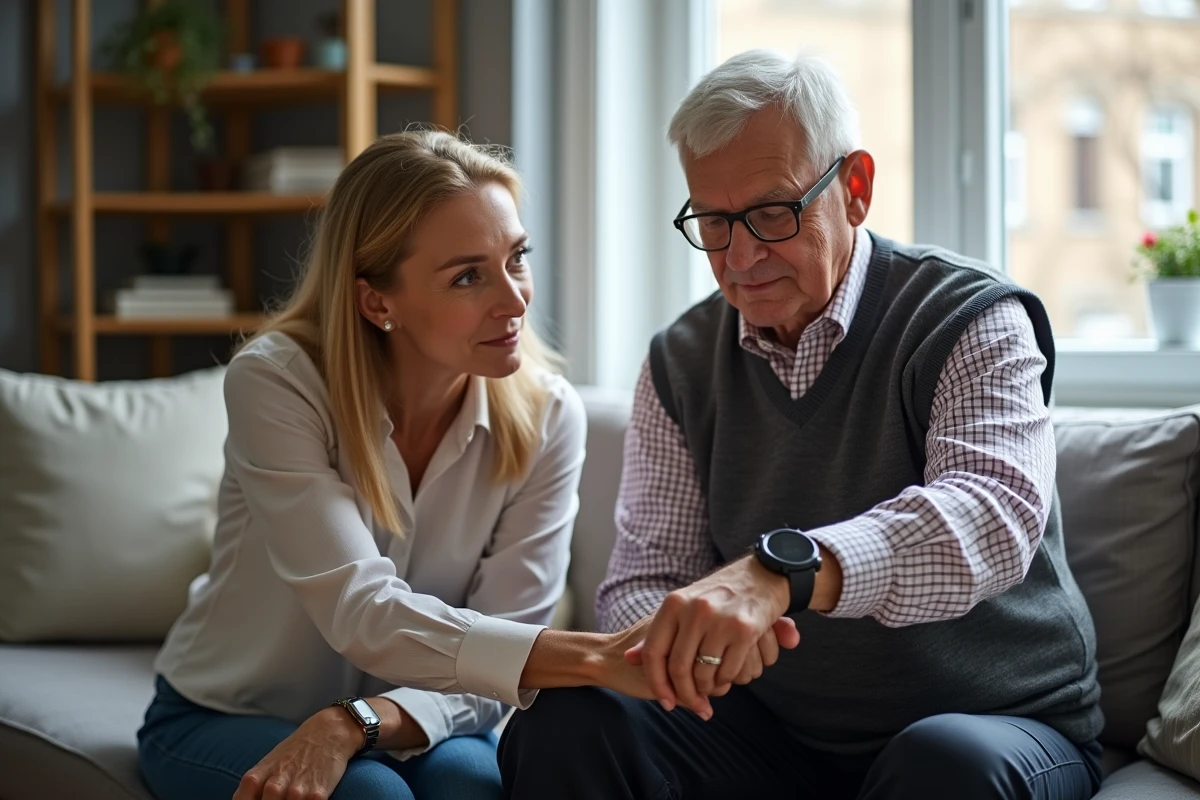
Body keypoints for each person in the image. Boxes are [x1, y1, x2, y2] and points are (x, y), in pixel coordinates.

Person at [499, 50, 1104, 800]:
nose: (741, 256)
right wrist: (695, 647)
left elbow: (990, 516)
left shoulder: (970, 317)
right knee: (567, 719)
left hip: (998, 722)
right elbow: (646, 580)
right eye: (714, 221)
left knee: (942, 765)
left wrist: (782, 574)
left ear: (855, 189)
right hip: (780, 739)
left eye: (772, 213)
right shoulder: (679, 361)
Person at [135, 130, 657, 800]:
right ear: (377, 301)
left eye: (517, 258)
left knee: (471, 789)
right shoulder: (279, 383)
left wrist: (354, 723)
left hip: (418, 715)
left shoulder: (548, 416)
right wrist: (594, 657)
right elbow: (363, 609)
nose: (515, 300)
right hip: (226, 711)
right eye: (468, 276)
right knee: (372, 796)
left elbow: (502, 658)